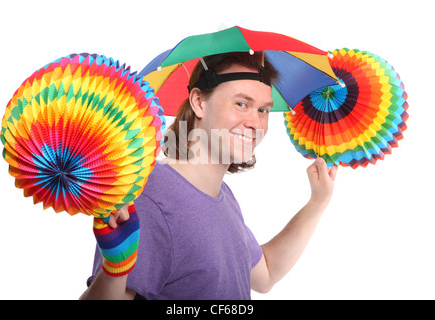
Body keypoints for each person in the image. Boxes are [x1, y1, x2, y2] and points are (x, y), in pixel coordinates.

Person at [80, 51, 338, 300]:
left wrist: (317, 202)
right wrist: (115, 269)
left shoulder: (223, 197)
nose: (256, 124)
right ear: (199, 102)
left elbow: (265, 274)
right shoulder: (149, 196)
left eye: (263, 110)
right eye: (241, 104)